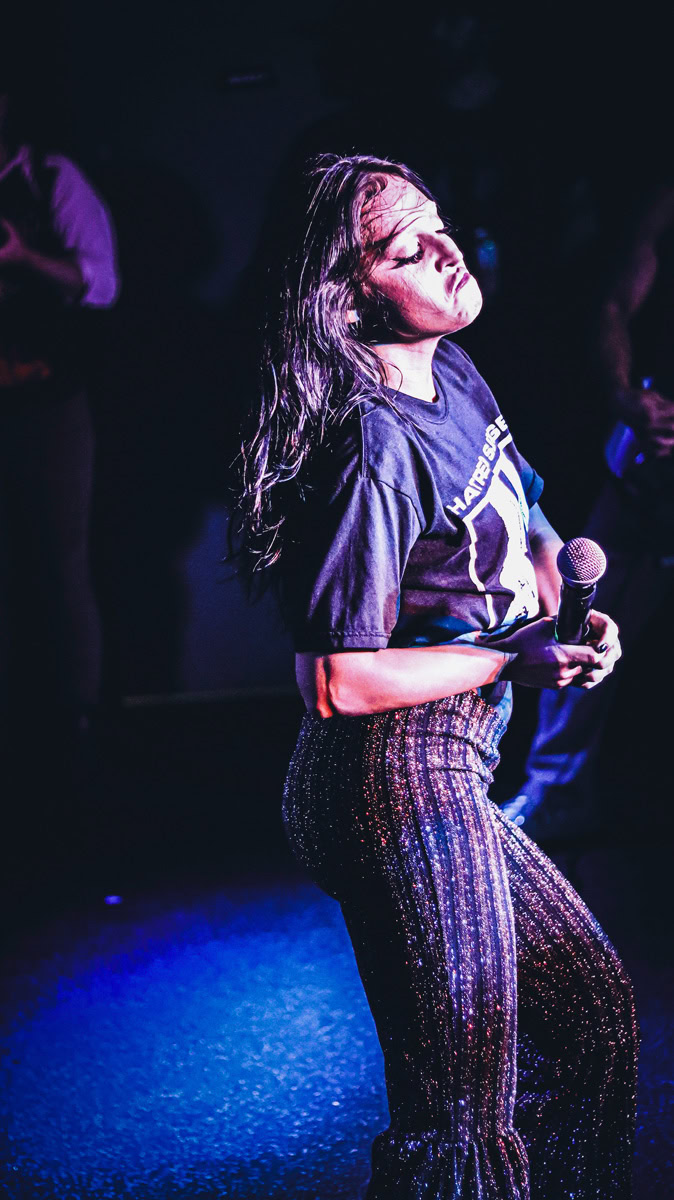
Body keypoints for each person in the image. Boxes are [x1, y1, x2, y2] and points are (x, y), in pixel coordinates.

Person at [234, 154, 638, 1199]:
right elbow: (336, 680)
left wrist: (565, 613)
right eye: (406, 248)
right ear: (348, 295)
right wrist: (510, 656)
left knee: (590, 1020)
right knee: (458, 1117)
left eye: (439, 225)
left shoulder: (450, 369)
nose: (447, 253)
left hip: (451, 762)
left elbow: (526, 513)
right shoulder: (374, 446)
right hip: (387, 779)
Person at [502, 182, 674, 839]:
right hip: (647, 474)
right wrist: (626, 394)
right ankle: (556, 792)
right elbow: (615, 302)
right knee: (581, 622)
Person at [0, 87, 119, 762]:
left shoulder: (49, 178)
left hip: (47, 399)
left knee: (59, 561)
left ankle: (76, 721)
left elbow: (101, 283)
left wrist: (23, 259)